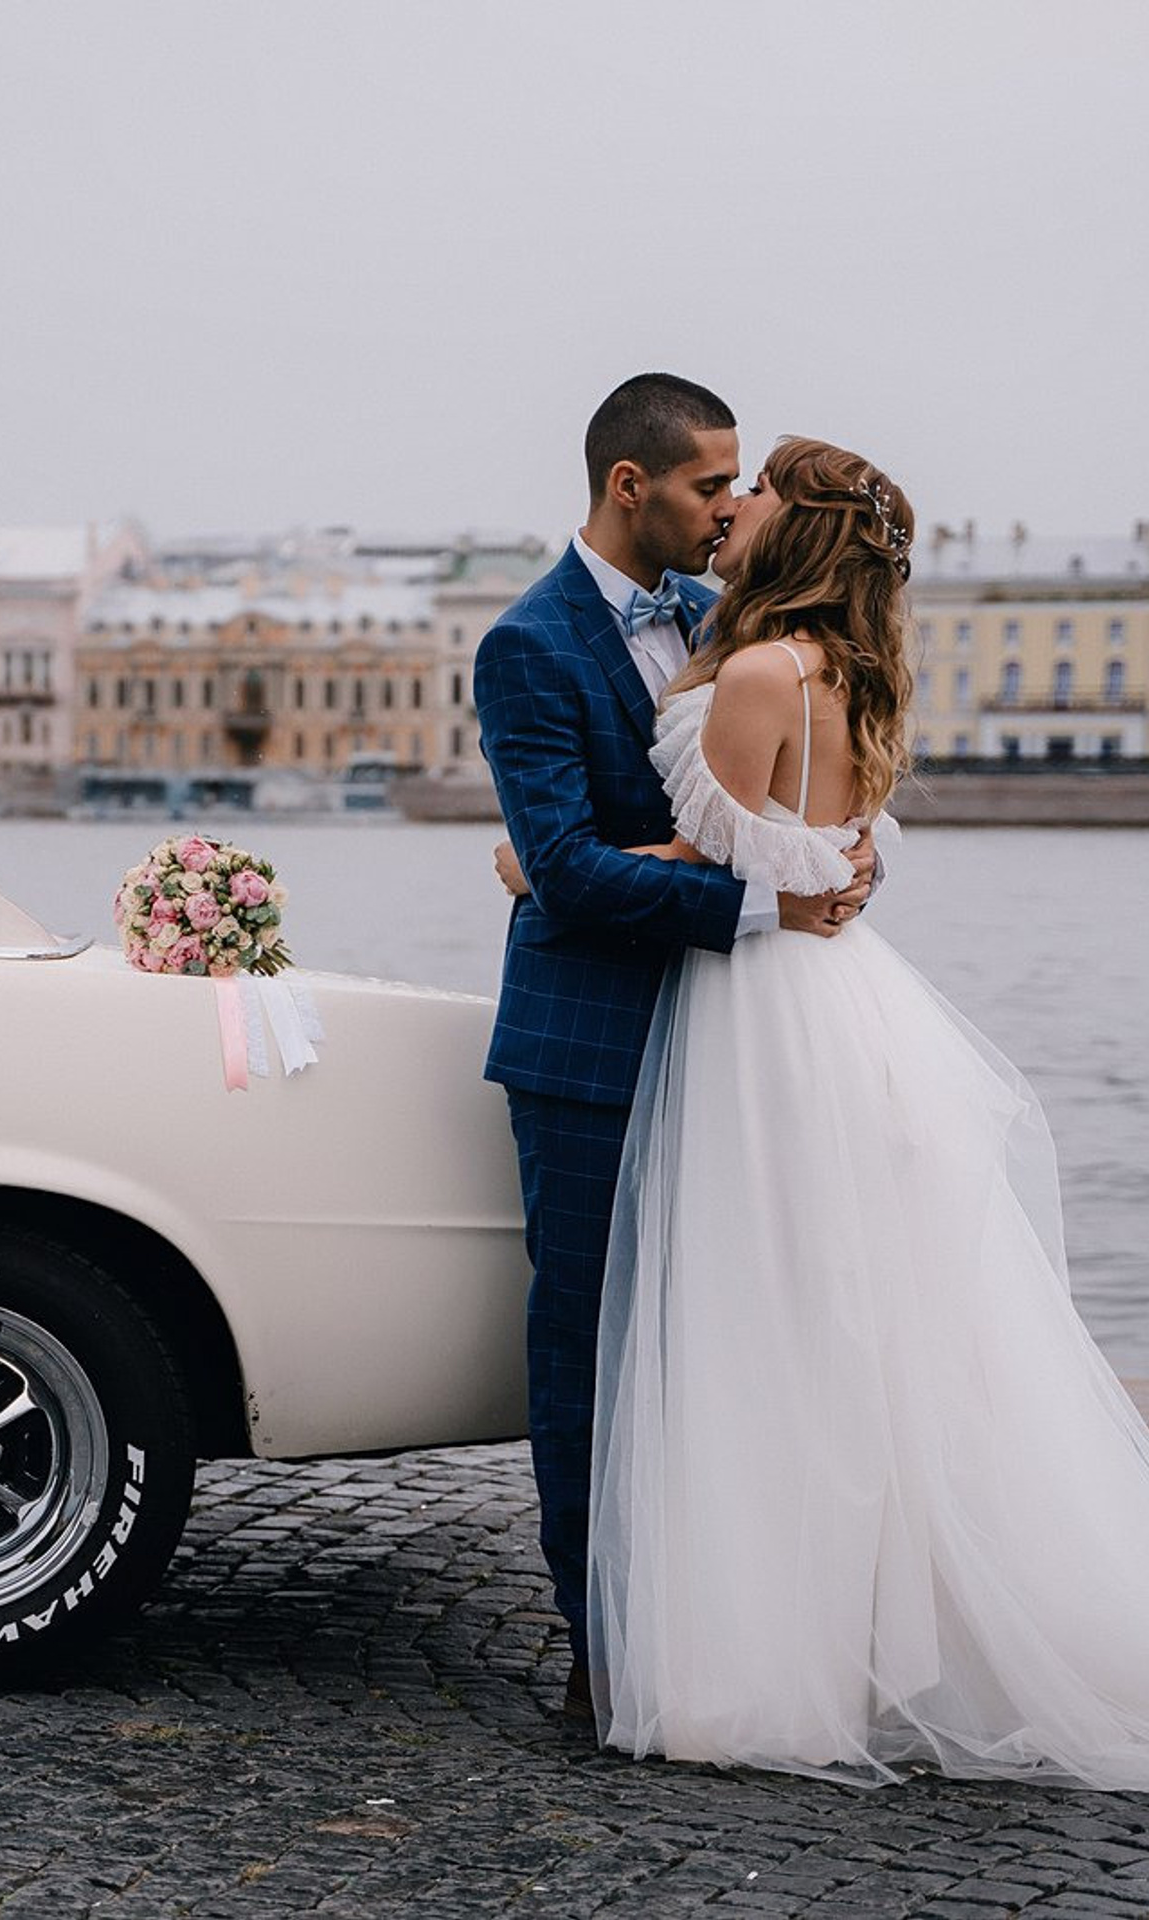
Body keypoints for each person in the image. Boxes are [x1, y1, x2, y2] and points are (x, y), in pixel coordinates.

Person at [535, 435, 1149, 1789]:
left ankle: (763, 1661)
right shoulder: (845, 671)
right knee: (845, 1328)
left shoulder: (757, 670)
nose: (734, 501)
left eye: (756, 490)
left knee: (759, 1324)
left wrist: (541, 867)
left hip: (765, 1011)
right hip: (841, 997)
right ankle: (862, 1637)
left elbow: (706, 857)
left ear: (797, 527)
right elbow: (820, 849)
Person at [473, 376, 874, 1723]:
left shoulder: (730, 626)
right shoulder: (527, 645)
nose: (728, 507)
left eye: (739, 482)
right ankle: (603, 1654)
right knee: (585, 1353)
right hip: (587, 1049)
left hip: (739, 1047)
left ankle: (731, 1626)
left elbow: (777, 808)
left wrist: (829, 865)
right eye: (711, 484)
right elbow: (575, 877)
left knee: (729, 1340)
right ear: (628, 486)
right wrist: (772, 900)